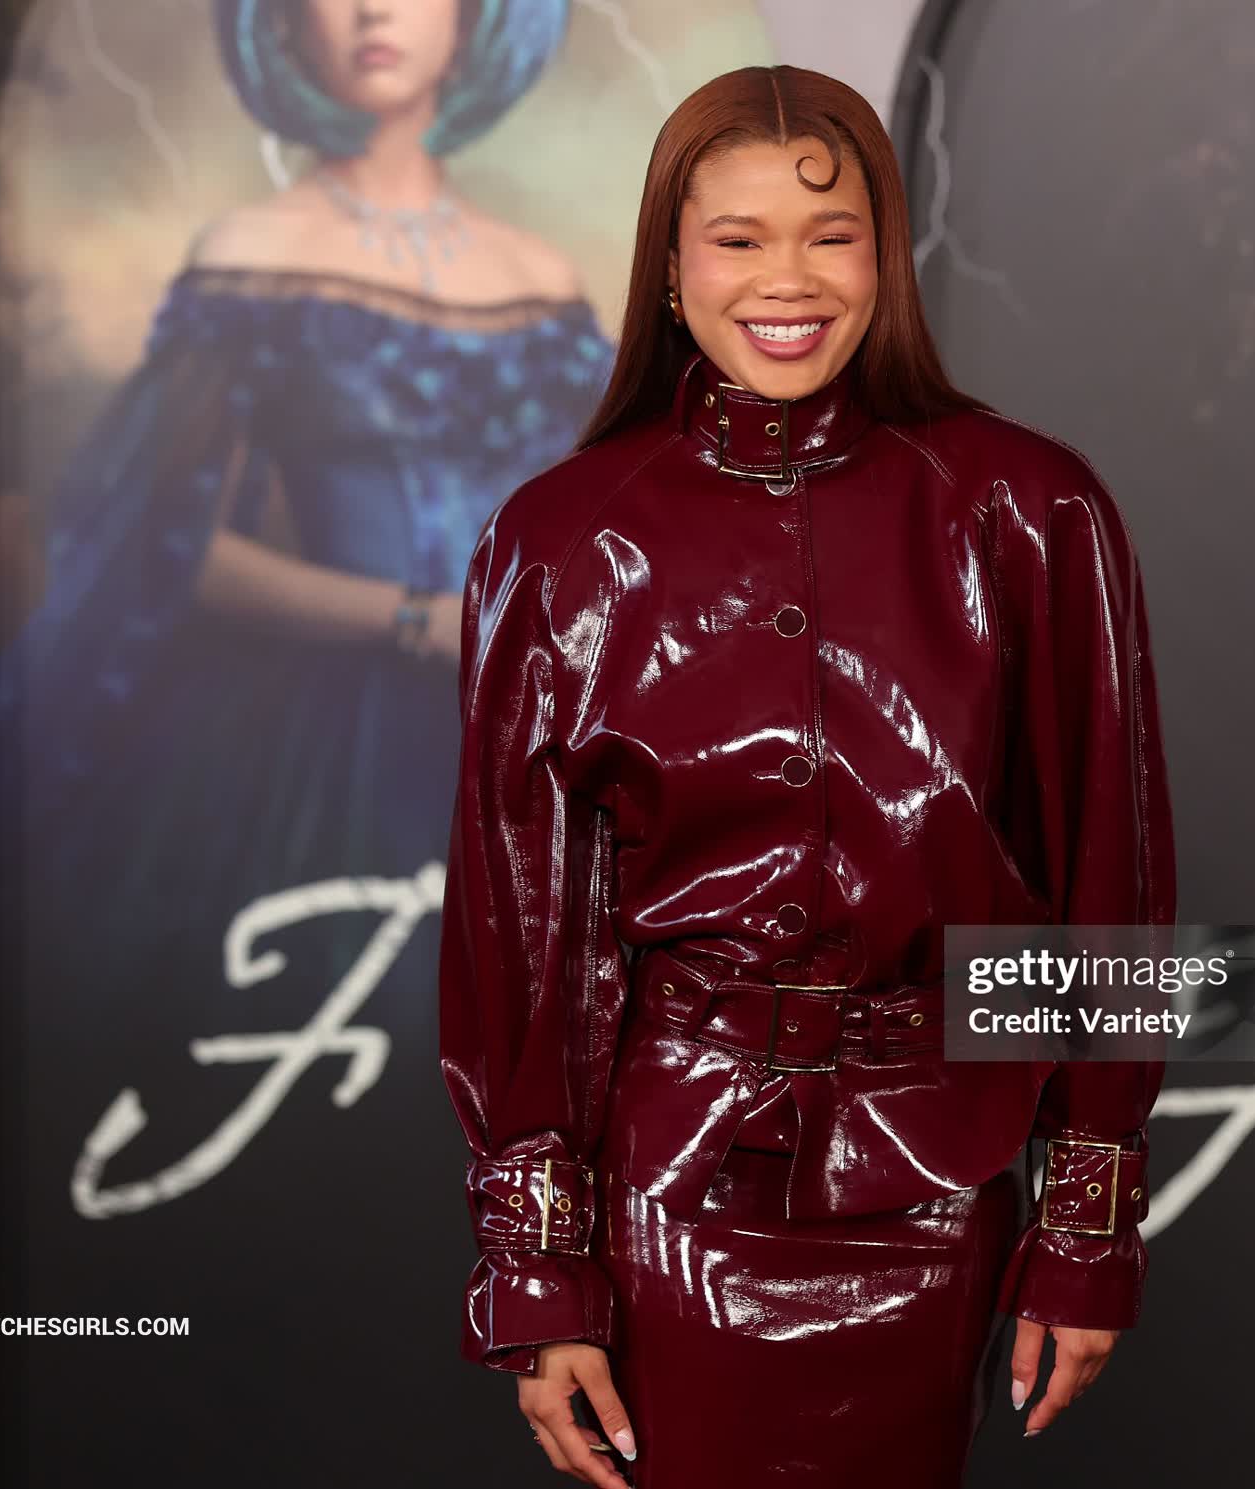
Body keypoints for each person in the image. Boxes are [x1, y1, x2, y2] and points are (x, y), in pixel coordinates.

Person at [437, 63, 1176, 1489]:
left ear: (886, 256)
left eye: (832, 236)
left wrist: (1086, 1224)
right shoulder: (557, 541)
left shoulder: (1033, 510)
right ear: (668, 268)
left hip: (939, 1175)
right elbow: (530, 937)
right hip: (669, 1186)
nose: (790, 280)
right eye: (738, 238)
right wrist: (539, 1273)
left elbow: (1108, 884)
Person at [0, 0, 608, 1213]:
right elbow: (178, 552)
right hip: (324, 743)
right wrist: (413, 618)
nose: (371, 9)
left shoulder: (542, 277)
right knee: (344, 1083)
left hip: (523, 729)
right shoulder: (252, 252)